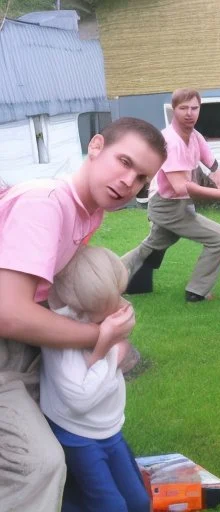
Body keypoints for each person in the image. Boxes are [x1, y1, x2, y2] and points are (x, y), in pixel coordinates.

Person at [0, 117, 166, 512]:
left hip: (23, 344)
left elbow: (49, 290)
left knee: (68, 429)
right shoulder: (46, 205)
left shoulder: (89, 211)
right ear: (95, 147)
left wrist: (104, 314)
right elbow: (9, 313)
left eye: (141, 177)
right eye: (123, 162)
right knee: (37, 464)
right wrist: (100, 337)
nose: (129, 181)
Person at [41, 245, 149, 512]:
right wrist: (110, 352)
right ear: (80, 307)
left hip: (109, 427)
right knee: (110, 505)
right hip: (77, 433)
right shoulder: (59, 336)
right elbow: (80, 398)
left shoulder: (100, 319)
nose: (122, 309)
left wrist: (108, 349)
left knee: (138, 501)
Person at [122, 88, 220, 303]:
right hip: (168, 206)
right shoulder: (170, 141)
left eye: (194, 108)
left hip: (176, 204)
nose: (190, 113)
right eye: (183, 108)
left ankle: (106, 276)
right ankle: (196, 292)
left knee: (151, 247)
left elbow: (214, 166)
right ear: (174, 110)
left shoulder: (195, 137)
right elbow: (181, 187)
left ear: (200, 109)